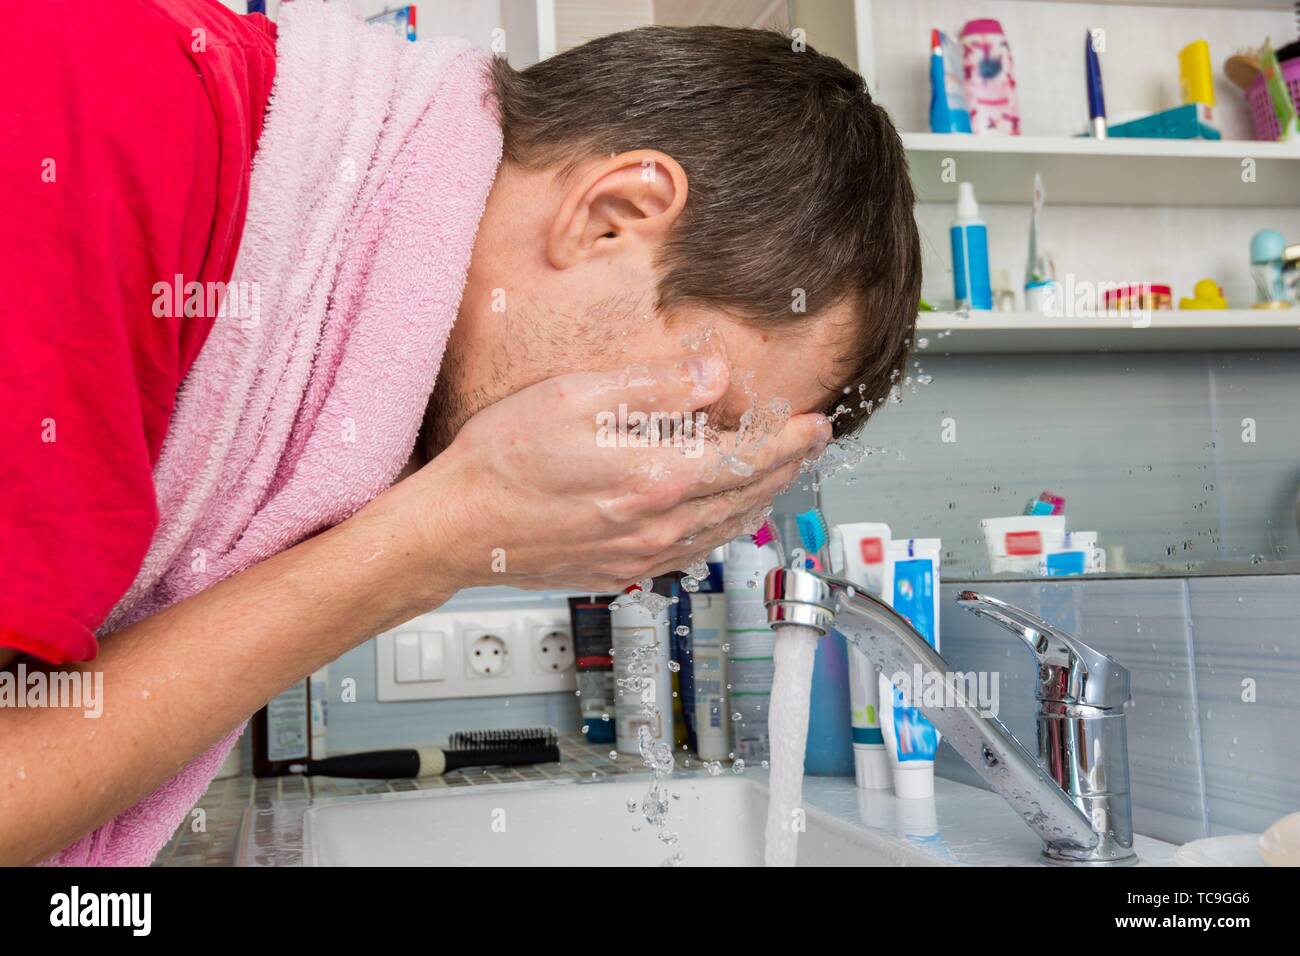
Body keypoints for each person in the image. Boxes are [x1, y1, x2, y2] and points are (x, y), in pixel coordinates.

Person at [0, 0, 919, 864]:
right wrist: (427, 545)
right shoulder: (102, 115)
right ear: (611, 219)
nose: (662, 502)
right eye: (695, 416)